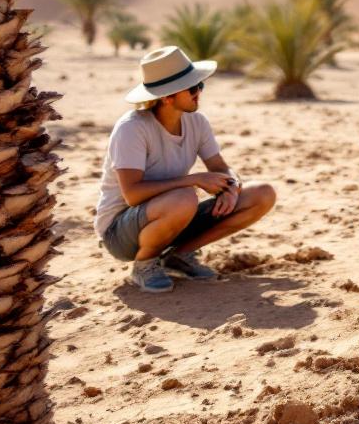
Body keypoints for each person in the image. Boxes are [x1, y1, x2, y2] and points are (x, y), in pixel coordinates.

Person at [94, 47, 278, 293]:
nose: (199, 92)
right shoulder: (131, 129)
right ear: (167, 97)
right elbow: (132, 195)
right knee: (185, 196)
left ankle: (179, 256)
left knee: (262, 194)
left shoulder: (197, 122)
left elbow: (221, 167)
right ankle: (145, 264)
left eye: (200, 85)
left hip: (175, 217)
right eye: (192, 88)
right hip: (121, 233)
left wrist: (232, 187)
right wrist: (193, 179)